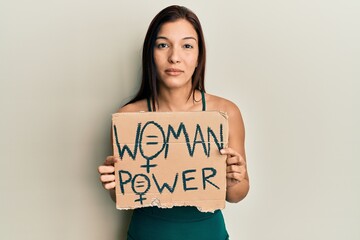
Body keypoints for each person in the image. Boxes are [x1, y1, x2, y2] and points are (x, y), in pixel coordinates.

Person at [98, 5, 249, 240]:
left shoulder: (225, 112)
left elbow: (237, 194)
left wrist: (234, 178)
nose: (174, 57)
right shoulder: (128, 117)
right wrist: (115, 185)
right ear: (151, 53)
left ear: (199, 56)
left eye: (187, 45)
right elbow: (122, 197)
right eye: (163, 45)